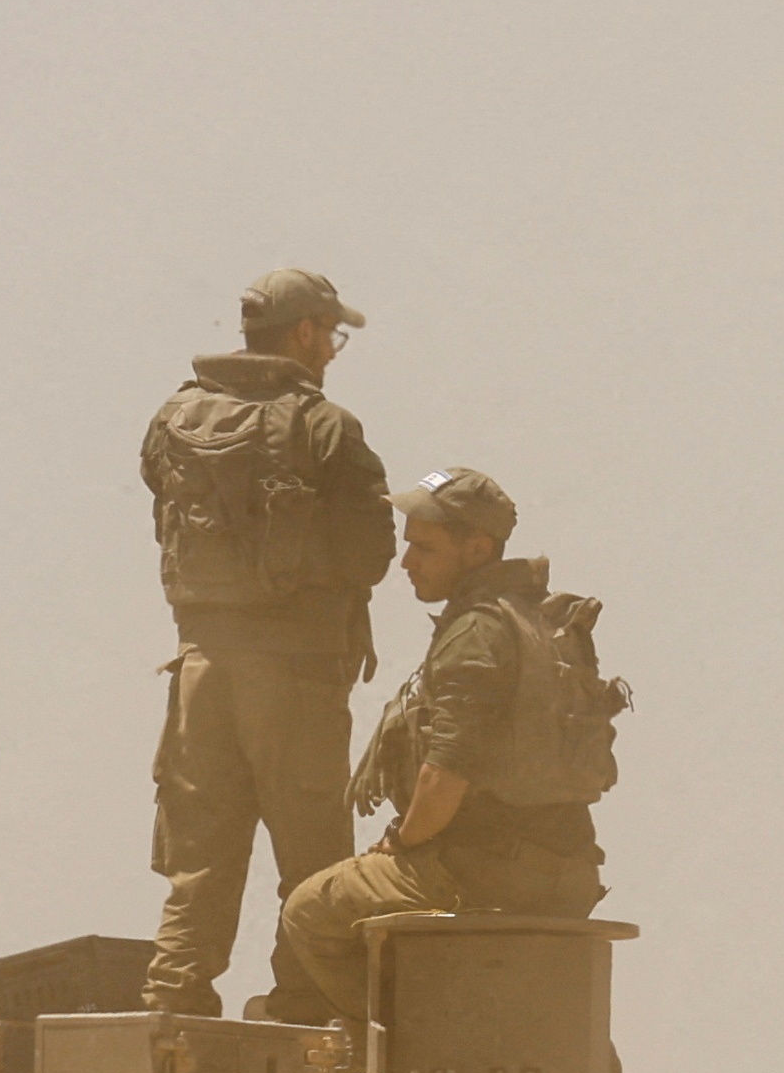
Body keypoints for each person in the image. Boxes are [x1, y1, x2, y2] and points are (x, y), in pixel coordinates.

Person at [135, 268, 395, 1018]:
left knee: (200, 861)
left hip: (199, 672)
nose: (334, 352)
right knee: (313, 859)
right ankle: (301, 1008)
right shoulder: (324, 426)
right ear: (306, 333)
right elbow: (372, 552)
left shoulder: (173, 417)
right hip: (297, 677)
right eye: (332, 335)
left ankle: (173, 1007)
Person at [271, 466, 615, 1028]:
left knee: (309, 910)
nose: (407, 563)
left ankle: (401, 1047)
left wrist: (400, 844)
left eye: (425, 549)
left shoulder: (477, 634)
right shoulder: (539, 622)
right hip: (565, 865)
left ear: (477, 549)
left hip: (482, 867)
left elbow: (445, 777)